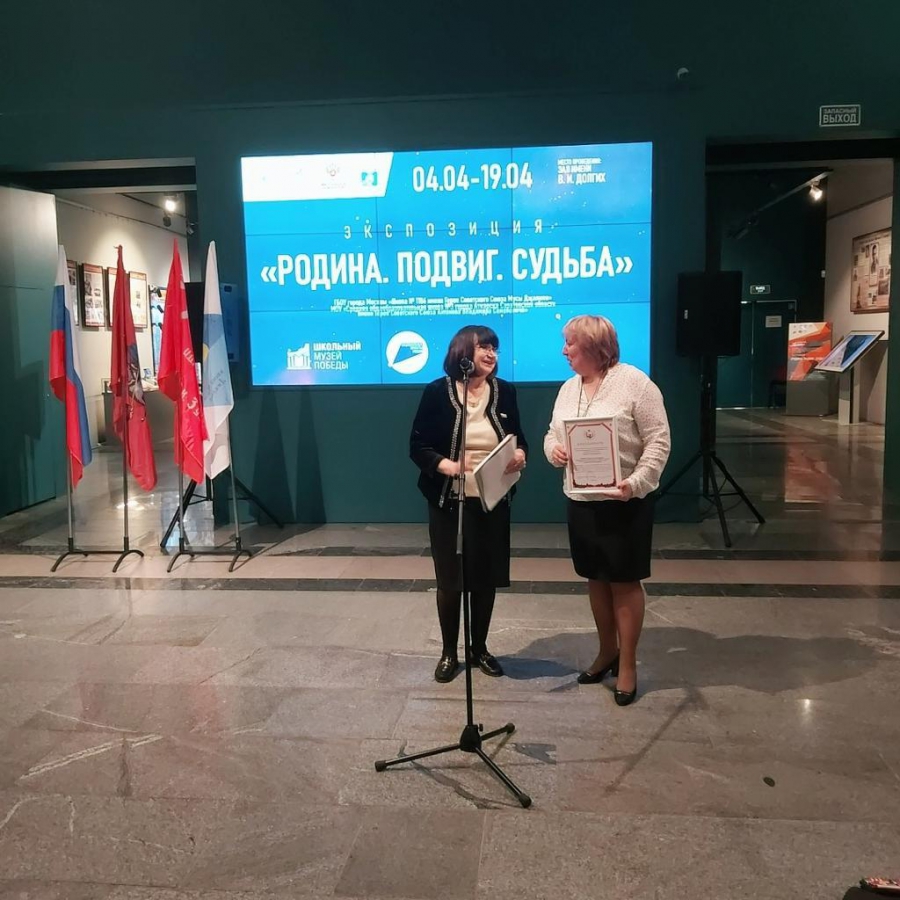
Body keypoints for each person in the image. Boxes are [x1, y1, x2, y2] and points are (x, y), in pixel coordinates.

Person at [544, 315, 670, 706]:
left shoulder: (635, 383)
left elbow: (659, 441)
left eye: (570, 343)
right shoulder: (568, 388)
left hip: (625, 502)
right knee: (596, 579)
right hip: (581, 501)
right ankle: (606, 652)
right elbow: (552, 434)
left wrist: (635, 483)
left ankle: (628, 664)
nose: (563, 351)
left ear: (595, 346)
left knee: (624, 581)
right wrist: (554, 451)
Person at [410, 325, 528, 683]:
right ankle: (449, 652)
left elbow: (519, 439)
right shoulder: (437, 391)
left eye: (495, 348)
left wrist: (521, 455)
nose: (492, 354)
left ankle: (480, 649)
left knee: (485, 579)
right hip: (450, 500)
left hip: (492, 499)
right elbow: (417, 446)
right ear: (463, 351)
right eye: (484, 347)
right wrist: (448, 466)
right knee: (451, 580)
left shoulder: (505, 391)